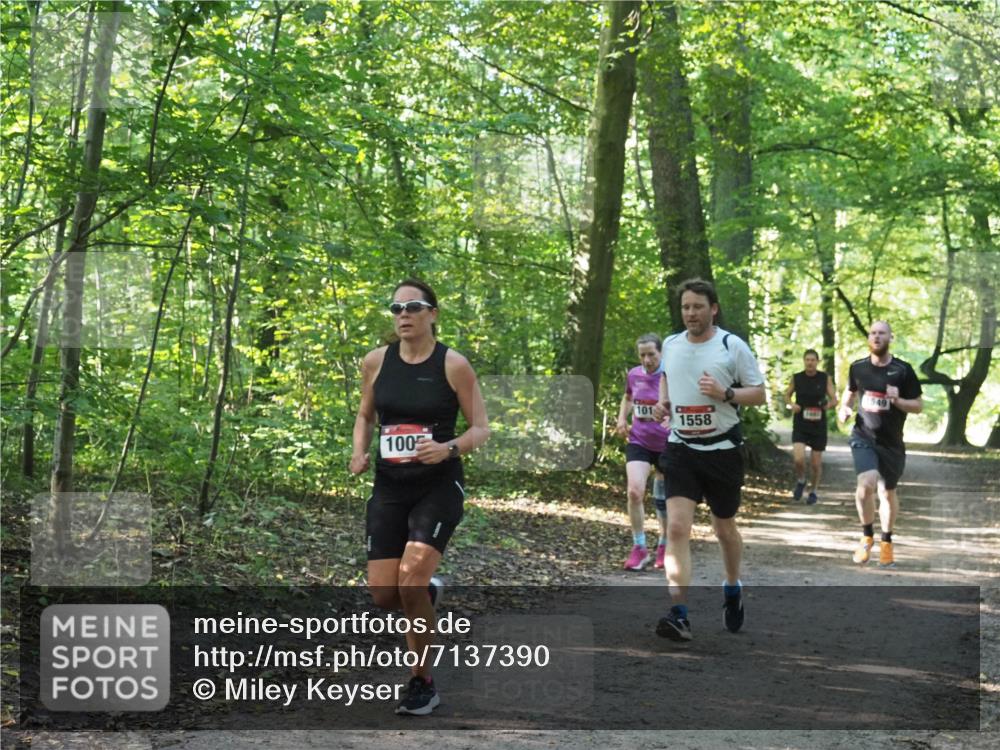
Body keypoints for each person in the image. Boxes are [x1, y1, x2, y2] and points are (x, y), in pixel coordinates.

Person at [350, 279, 489, 715]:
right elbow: (364, 415)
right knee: (383, 595)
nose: (403, 314)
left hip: (438, 485)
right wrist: (358, 450)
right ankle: (427, 592)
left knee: (409, 581)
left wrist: (447, 448)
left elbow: (480, 428)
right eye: (396, 307)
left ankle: (421, 681)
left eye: (413, 306)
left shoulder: (454, 364)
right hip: (389, 487)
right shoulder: (375, 362)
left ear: (433, 313)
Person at [653, 278, 765, 642]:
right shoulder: (669, 345)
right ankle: (679, 613)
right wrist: (664, 402)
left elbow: (760, 395)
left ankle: (732, 586)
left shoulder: (731, 346)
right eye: (686, 307)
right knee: (676, 528)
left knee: (723, 529)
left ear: (713, 309)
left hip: (722, 452)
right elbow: (668, 378)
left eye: (698, 307)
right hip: (681, 448)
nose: (691, 313)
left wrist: (726, 393)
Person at [838, 320, 922, 568]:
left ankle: (886, 541)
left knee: (887, 492)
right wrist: (845, 407)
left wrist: (898, 402)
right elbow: (851, 392)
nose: (876, 336)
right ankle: (866, 537)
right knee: (867, 483)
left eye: (881, 333)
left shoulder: (903, 370)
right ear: (869, 338)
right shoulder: (858, 367)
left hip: (892, 442)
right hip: (863, 436)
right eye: (873, 333)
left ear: (890, 338)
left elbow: (918, 406)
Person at [615, 334, 670, 571]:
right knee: (634, 491)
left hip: (668, 443)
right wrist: (621, 420)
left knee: (664, 500)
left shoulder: (671, 376)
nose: (647, 360)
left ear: (661, 354)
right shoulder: (634, 374)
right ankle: (639, 548)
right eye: (643, 355)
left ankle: (665, 544)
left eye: (652, 354)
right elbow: (628, 398)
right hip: (639, 440)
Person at [784, 349, 837, 504]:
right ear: (804, 361)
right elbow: (787, 395)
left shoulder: (824, 378)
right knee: (798, 459)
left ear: (817, 361)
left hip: (818, 425)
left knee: (815, 463)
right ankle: (801, 480)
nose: (810, 362)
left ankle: (813, 491)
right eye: (807, 359)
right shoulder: (797, 378)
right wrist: (792, 404)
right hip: (801, 423)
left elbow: (834, 399)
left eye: (813, 360)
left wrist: (828, 405)